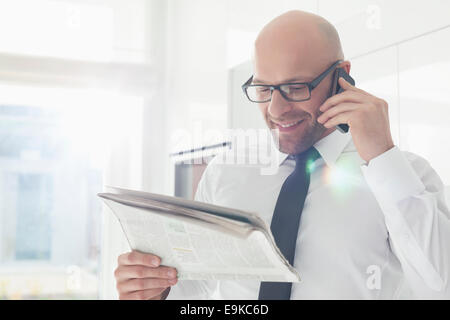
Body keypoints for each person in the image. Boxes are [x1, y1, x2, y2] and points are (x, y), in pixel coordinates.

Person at [114, 10, 450, 299]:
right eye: (263, 89)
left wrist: (383, 157)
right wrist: (155, 288)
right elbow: (196, 287)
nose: (276, 109)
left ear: (341, 76)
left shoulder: (405, 177)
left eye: (295, 87)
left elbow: (440, 287)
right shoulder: (226, 172)